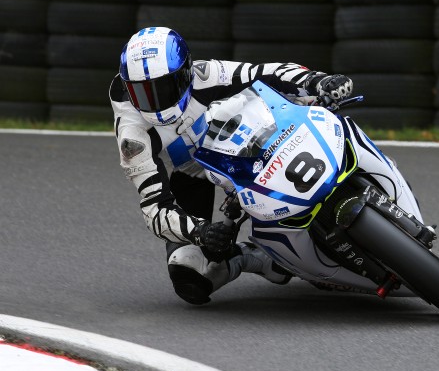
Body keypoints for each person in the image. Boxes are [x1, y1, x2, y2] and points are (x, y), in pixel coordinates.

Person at [109, 26, 354, 305]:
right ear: (128, 88)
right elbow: (154, 209)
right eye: (143, 93)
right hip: (190, 176)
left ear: (185, 73)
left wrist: (317, 80)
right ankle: (256, 258)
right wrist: (201, 232)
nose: (155, 102)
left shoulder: (205, 74)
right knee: (188, 274)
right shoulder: (133, 136)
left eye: (164, 88)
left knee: (322, 111)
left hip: (247, 143)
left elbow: (267, 71)